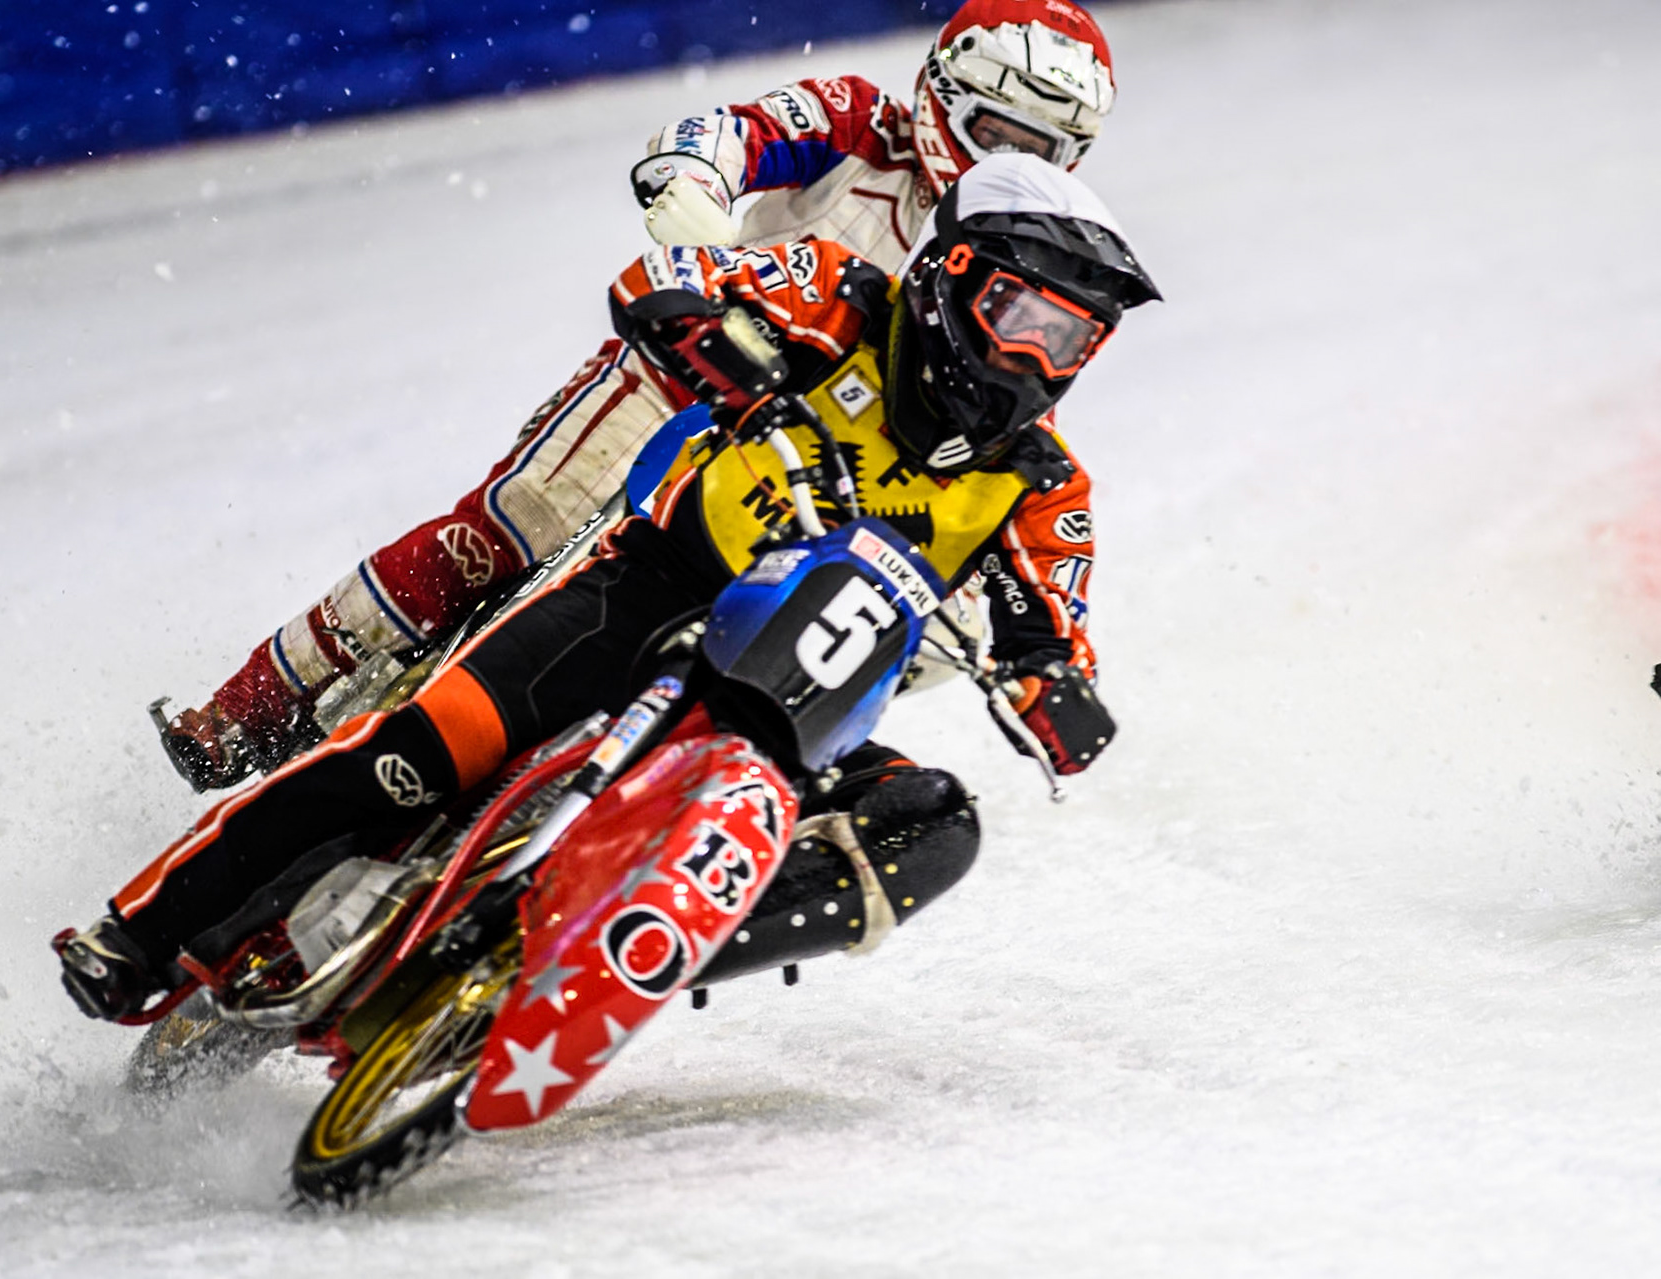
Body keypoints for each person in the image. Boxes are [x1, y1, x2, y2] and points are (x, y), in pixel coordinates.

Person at [60, 153, 1159, 1020]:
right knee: (415, 752)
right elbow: (661, 283)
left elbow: (1051, 637)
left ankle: (649, 952)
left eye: (1076, 341)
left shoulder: (1042, 485)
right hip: (648, 594)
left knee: (936, 828)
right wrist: (754, 384)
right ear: (956, 280)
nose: (1039, 361)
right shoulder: (835, 298)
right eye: (1029, 319)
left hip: (795, 698)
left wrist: (1056, 699)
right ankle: (141, 929)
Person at [160, 0, 1123, 791]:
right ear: (944, 92)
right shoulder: (857, 120)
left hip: (822, 468)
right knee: (507, 529)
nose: (1020, 161)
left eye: (1048, 149)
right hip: (695, 373)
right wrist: (695, 194)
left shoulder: (1026, 243)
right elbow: (719, 134)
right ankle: (255, 704)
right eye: (1004, 133)